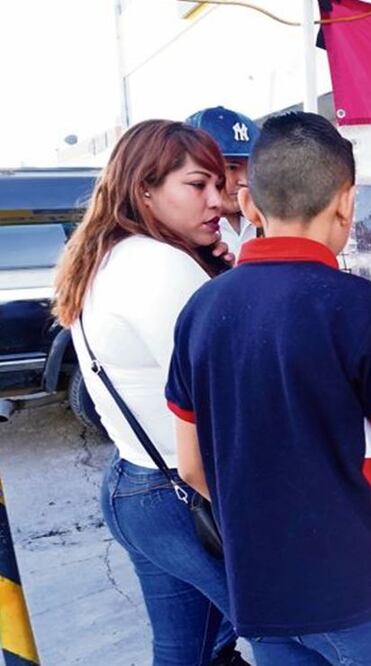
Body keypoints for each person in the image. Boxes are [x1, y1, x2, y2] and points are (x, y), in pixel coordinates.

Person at [166, 112, 371, 665]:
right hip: (365, 590)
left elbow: (191, 467)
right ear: (347, 202)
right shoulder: (359, 307)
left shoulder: (201, 309)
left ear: (248, 205)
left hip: (264, 596)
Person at [53, 120, 246, 665]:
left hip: (136, 483)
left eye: (219, 185)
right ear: (144, 189)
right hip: (182, 492)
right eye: (198, 185)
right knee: (295, 635)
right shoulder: (159, 264)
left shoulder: (112, 253)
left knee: (190, 651)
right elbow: (224, 400)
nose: (218, 201)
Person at [185, 107, 261, 257]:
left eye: (251, 167)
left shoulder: (269, 219)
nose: (245, 180)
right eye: (232, 167)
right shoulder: (186, 233)